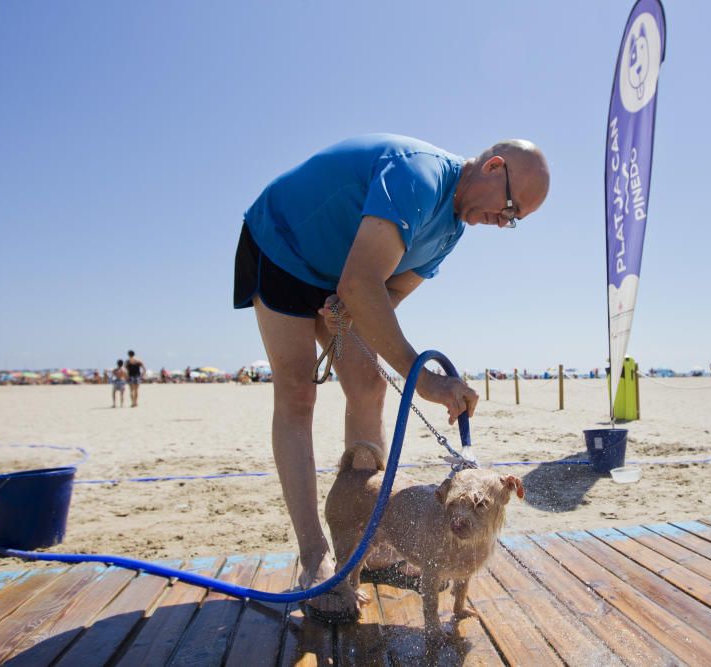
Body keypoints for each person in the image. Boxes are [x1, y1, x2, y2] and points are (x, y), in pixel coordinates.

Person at [234, 134, 549, 621]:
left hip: (336, 276)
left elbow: (385, 294)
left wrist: (348, 319)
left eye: (514, 222)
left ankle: (367, 536)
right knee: (297, 393)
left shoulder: (450, 233)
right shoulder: (418, 178)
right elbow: (361, 284)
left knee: (369, 384)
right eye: (509, 209)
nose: (503, 222)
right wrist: (424, 381)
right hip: (283, 244)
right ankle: (315, 556)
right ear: (493, 167)